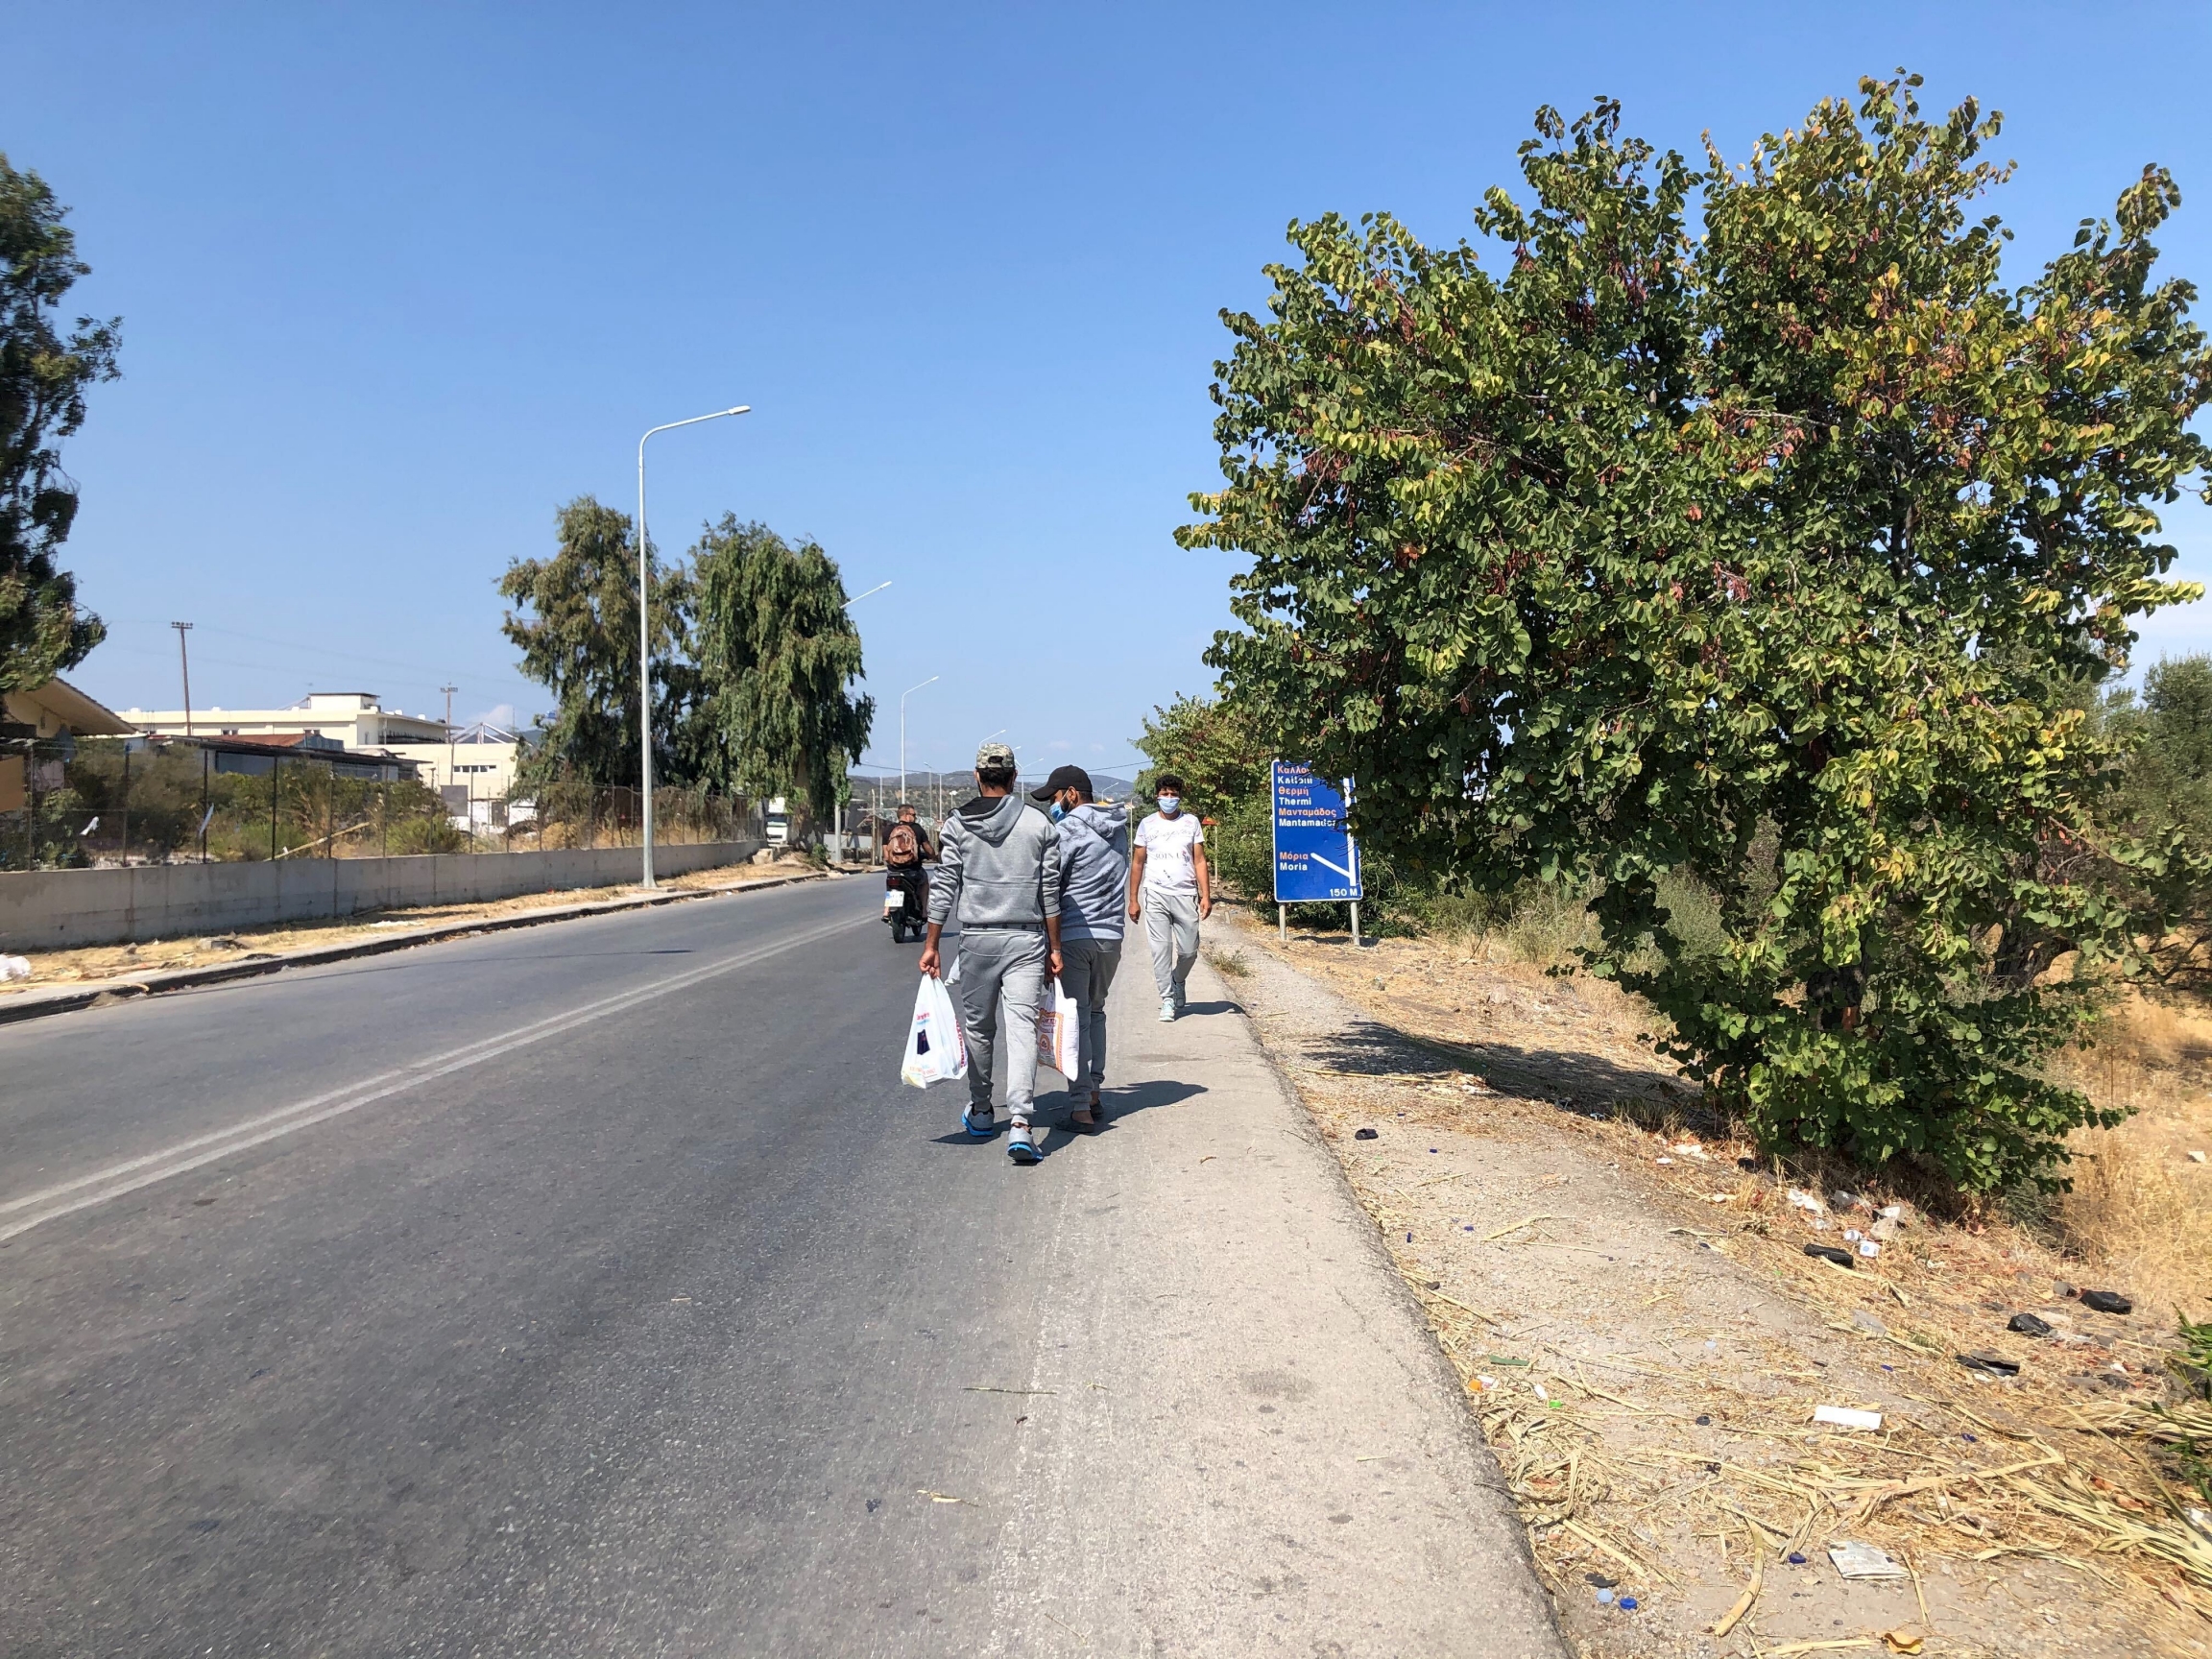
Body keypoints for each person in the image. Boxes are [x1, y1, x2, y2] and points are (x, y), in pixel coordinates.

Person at [921, 741, 1063, 1165]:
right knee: (1022, 1028)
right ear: (1015, 778)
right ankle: (1021, 1123)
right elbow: (1050, 893)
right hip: (1026, 939)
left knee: (980, 1029)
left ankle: (982, 1111)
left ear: (977, 777)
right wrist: (1055, 948)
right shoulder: (1039, 825)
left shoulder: (957, 826)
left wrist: (931, 945)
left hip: (977, 939)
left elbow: (944, 886)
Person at [1031, 764, 1127, 1130]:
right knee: (1097, 1012)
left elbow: (1050, 886)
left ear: (1071, 794)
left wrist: (1046, 943)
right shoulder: (1119, 826)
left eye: (1055, 797)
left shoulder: (1066, 830)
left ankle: (1081, 1106)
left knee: (1077, 1019)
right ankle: (1096, 1091)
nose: (1053, 805)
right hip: (1111, 936)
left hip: (1074, 934)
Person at [1127, 773, 1211, 1022]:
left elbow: (1199, 860)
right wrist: (1133, 899)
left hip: (1185, 894)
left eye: (1174, 794)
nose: (1169, 798)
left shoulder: (1191, 823)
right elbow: (1138, 863)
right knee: (1161, 949)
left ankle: (1178, 979)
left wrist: (1206, 895)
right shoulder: (1147, 825)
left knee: (1189, 951)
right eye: (1165, 794)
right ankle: (1167, 998)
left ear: (1180, 796)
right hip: (1155, 893)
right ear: (1157, 796)